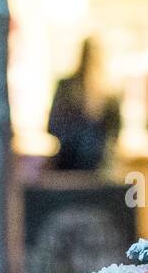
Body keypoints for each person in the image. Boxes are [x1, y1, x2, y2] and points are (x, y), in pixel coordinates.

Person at [47, 38, 119, 174]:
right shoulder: (67, 87)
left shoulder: (111, 96)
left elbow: (114, 134)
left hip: (100, 171)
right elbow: (53, 126)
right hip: (70, 168)